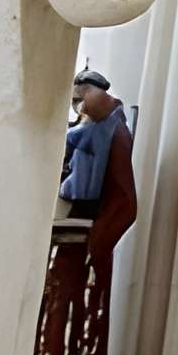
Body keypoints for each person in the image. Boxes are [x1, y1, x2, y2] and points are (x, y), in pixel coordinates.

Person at [61, 69, 138, 266]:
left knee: (91, 260)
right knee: (70, 262)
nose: (79, 108)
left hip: (106, 207)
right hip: (90, 205)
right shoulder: (100, 124)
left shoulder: (108, 128)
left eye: (80, 98)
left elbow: (73, 139)